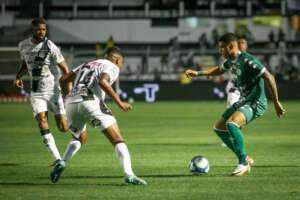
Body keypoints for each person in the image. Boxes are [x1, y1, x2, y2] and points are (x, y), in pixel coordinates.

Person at [185, 33, 285, 176]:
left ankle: (243, 163)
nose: (220, 51)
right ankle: (244, 158)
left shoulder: (248, 60)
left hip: (256, 102)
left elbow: (269, 76)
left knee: (231, 124)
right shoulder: (230, 60)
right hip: (244, 100)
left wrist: (276, 101)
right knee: (219, 128)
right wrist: (198, 73)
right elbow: (219, 70)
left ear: (231, 46)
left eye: (221, 48)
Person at [51, 47, 147, 185]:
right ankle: (129, 174)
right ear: (117, 59)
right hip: (90, 102)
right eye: (121, 62)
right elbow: (103, 82)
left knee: (79, 137)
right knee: (118, 140)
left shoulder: (87, 64)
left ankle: (62, 162)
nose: (120, 64)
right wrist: (119, 102)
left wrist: (68, 97)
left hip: (71, 103)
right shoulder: (112, 66)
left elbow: (64, 79)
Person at [14, 18, 71, 165]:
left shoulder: (50, 46)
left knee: (63, 128)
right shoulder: (23, 45)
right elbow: (25, 62)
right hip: (36, 91)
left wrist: (67, 89)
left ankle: (76, 118)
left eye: (44, 29)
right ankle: (58, 159)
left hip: (53, 91)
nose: (42, 32)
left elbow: (65, 69)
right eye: (39, 29)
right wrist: (18, 76)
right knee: (42, 121)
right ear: (32, 30)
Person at [220, 37, 248, 147]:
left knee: (240, 115)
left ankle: (234, 135)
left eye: (243, 42)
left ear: (246, 46)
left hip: (245, 90)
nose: (241, 44)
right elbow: (221, 68)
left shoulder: (249, 60)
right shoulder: (231, 58)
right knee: (232, 110)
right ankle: (229, 137)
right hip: (234, 88)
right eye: (239, 42)